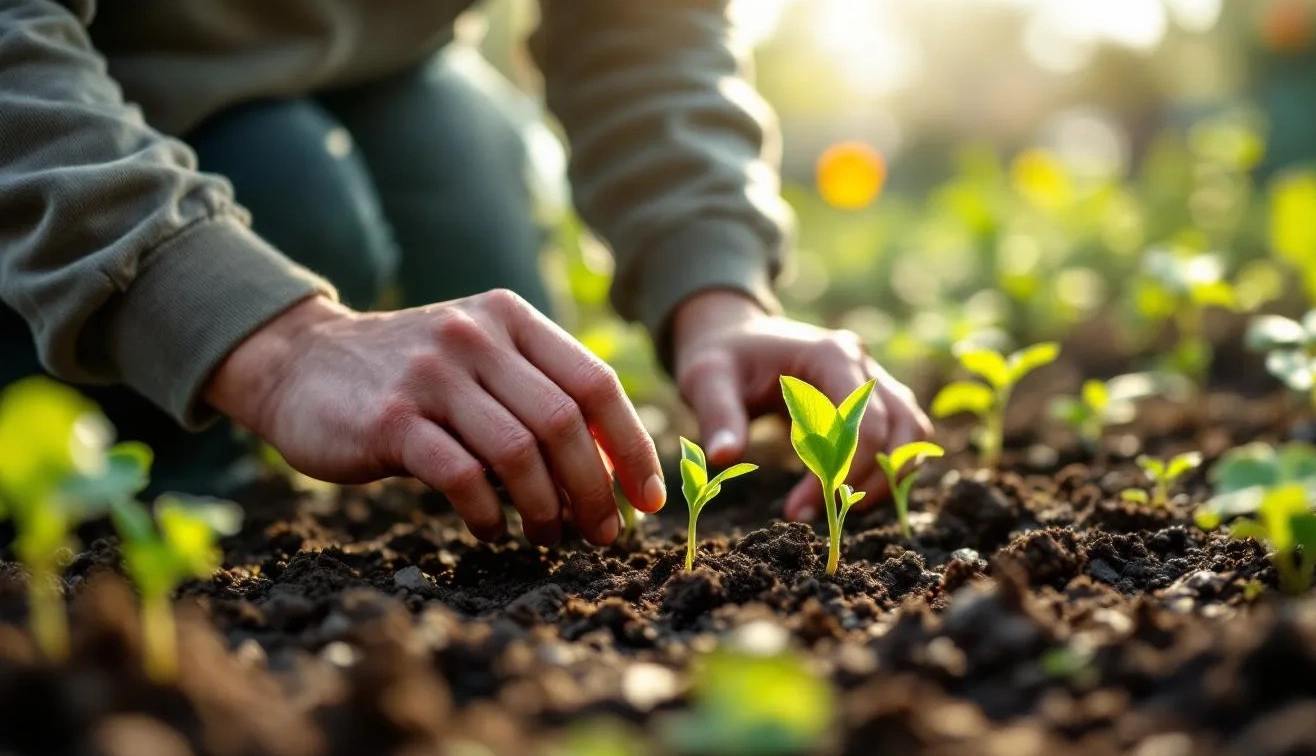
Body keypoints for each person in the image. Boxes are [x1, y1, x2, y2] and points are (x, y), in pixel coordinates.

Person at [0, 0, 931, 548]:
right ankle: (137, 506)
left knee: (474, 183)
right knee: (296, 199)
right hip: (78, 110)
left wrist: (715, 290)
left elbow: (640, 26)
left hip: (386, 70)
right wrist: (276, 342)